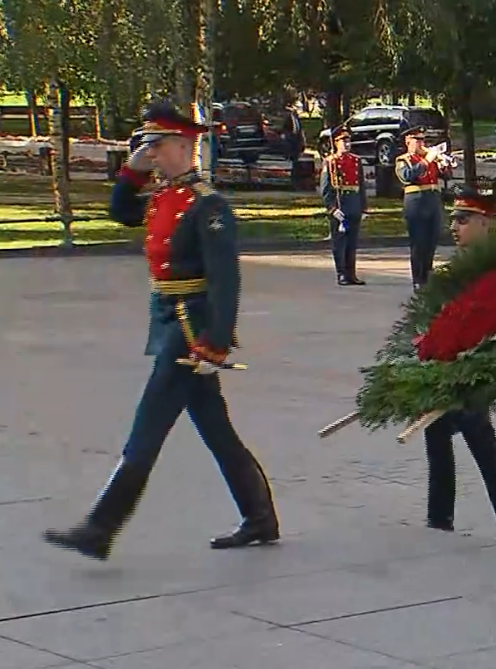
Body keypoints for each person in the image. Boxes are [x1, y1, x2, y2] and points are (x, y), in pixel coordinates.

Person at [43, 102, 279, 560]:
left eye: (158, 145)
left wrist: (214, 341)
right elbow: (120, 213)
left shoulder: (206, 203)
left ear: (184, 146)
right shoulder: (164, 194)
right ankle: (259, 516)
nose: (151, 153)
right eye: (147, 145)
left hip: (190, 327)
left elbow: (225, 278)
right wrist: (131, 171)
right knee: (215, 428)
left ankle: (99, 528)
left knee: (147, 426)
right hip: (167, 315)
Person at [423, 190, 496, 547]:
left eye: (463, 220)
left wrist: (488, 365)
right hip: (447, 370)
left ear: (486, 224)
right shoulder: (456, 269)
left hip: (476, 373)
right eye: (453, 219)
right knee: (436, 436)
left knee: (482, 445)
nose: (454, 226)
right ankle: (439, 519)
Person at [395, 126, 449, 290]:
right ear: (408, 142)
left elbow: (446, 177)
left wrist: (444, 164)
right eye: (417, 140)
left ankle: (428, 275)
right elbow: (407, 176)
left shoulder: (429, 159)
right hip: (416, 202)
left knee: (432, 241)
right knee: (419, 243)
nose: (421, 143)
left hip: (433, 201)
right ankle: (418, 279)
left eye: (422, 140)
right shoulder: (403, 160)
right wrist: (427, 161)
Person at [320, 125, 367, 286]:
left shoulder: (356, 160)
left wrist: (363, 207)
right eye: (343, 141)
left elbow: (361, 185)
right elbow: (326, 189)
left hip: (353, 204)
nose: (346, 144)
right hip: (340, 206)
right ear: (336, 143)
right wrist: (332, 208)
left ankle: (351, 273)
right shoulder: (331, 162)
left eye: (348, 141)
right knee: (340, 242)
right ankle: (341, 273)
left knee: (352, 242)